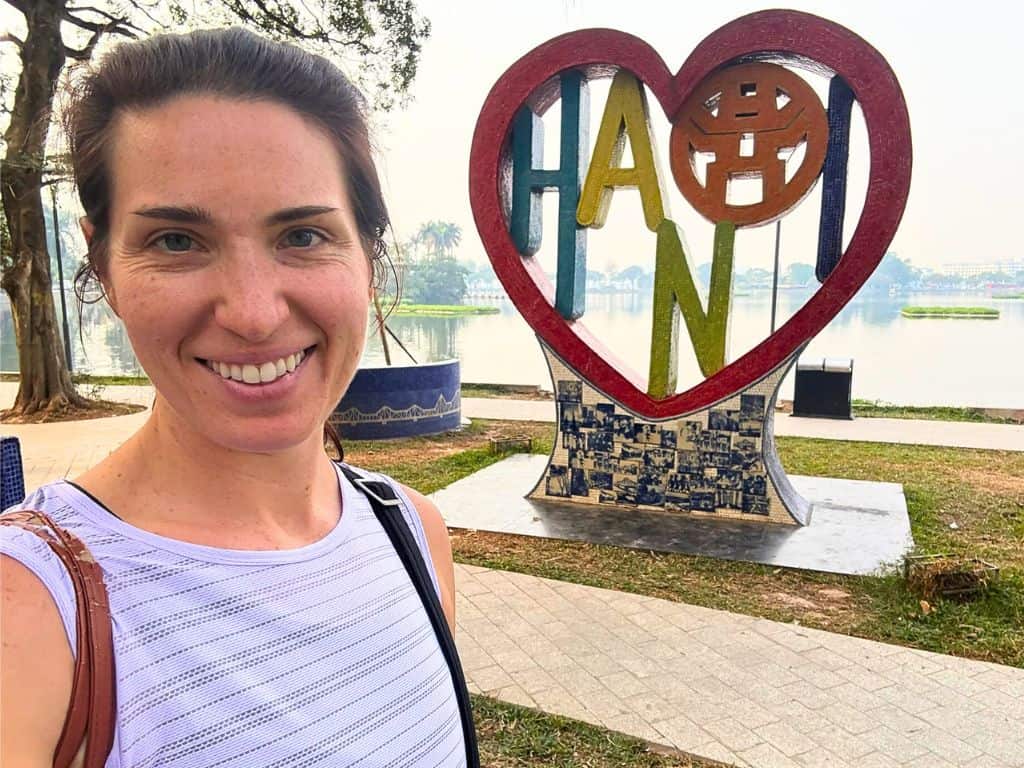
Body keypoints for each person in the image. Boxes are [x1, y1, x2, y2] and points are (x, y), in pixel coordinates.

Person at [1, 28, 476, 767]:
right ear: (103, 265)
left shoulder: (412, 533)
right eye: (176, 242)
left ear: (367, 258)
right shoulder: (30, 606)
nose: (252, 314)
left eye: (305, 235)